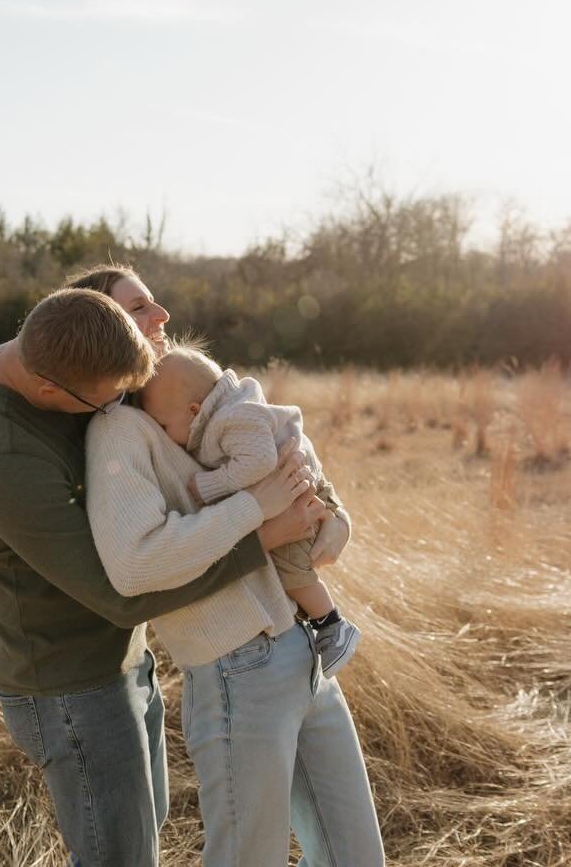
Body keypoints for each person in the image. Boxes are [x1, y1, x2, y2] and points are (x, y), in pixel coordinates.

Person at [0, 286, 323, 867]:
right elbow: (121, 595)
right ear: (50, 389)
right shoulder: (1, 460)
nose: (114, 414)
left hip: (123, 663)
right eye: (104, 403)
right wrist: (260, 535)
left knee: (143, 838)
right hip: (71, 689)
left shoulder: (53, 344)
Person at [74, 264, 385, 867]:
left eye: (155, 303)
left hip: (305, 653)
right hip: (237, 668)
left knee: (356, 856)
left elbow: (287, 451)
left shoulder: (204, 398)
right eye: (139, 309)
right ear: (103, 328)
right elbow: (137, 564)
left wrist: (332, 519)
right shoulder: (120, 433)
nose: (160, 316)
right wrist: (256, 512)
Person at [138, 342, 362, 678]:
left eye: (165, 426)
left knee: (291, 569)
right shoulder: (225, 413)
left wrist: (210, 485)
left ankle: (332, 624)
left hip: (298, 499)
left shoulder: (232, 418)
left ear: (194, 410)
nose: (168, 437)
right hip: (294, 496)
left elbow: (260, 461)